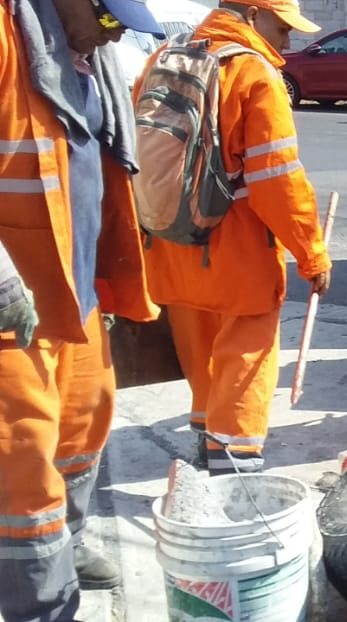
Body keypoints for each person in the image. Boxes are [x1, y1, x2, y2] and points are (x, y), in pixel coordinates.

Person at [0, 0, 165, 615]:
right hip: (13, 312)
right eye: (107, 16)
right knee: (23, 471)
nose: (114, 32)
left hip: (76, 292)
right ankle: (39, 601)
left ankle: (68, 542)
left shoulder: (83, 58)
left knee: (82, 427)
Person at [137, 0, 333, 475]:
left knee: (200, 346)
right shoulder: (253, 74)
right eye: (282, 25)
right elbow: (279, 181)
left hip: (170, 239)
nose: (288, 38)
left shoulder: (163, 58)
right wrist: (312, 254)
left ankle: (208, 434)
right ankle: (235, 463)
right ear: (252, 16)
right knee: (247, 350)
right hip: (237, 247)